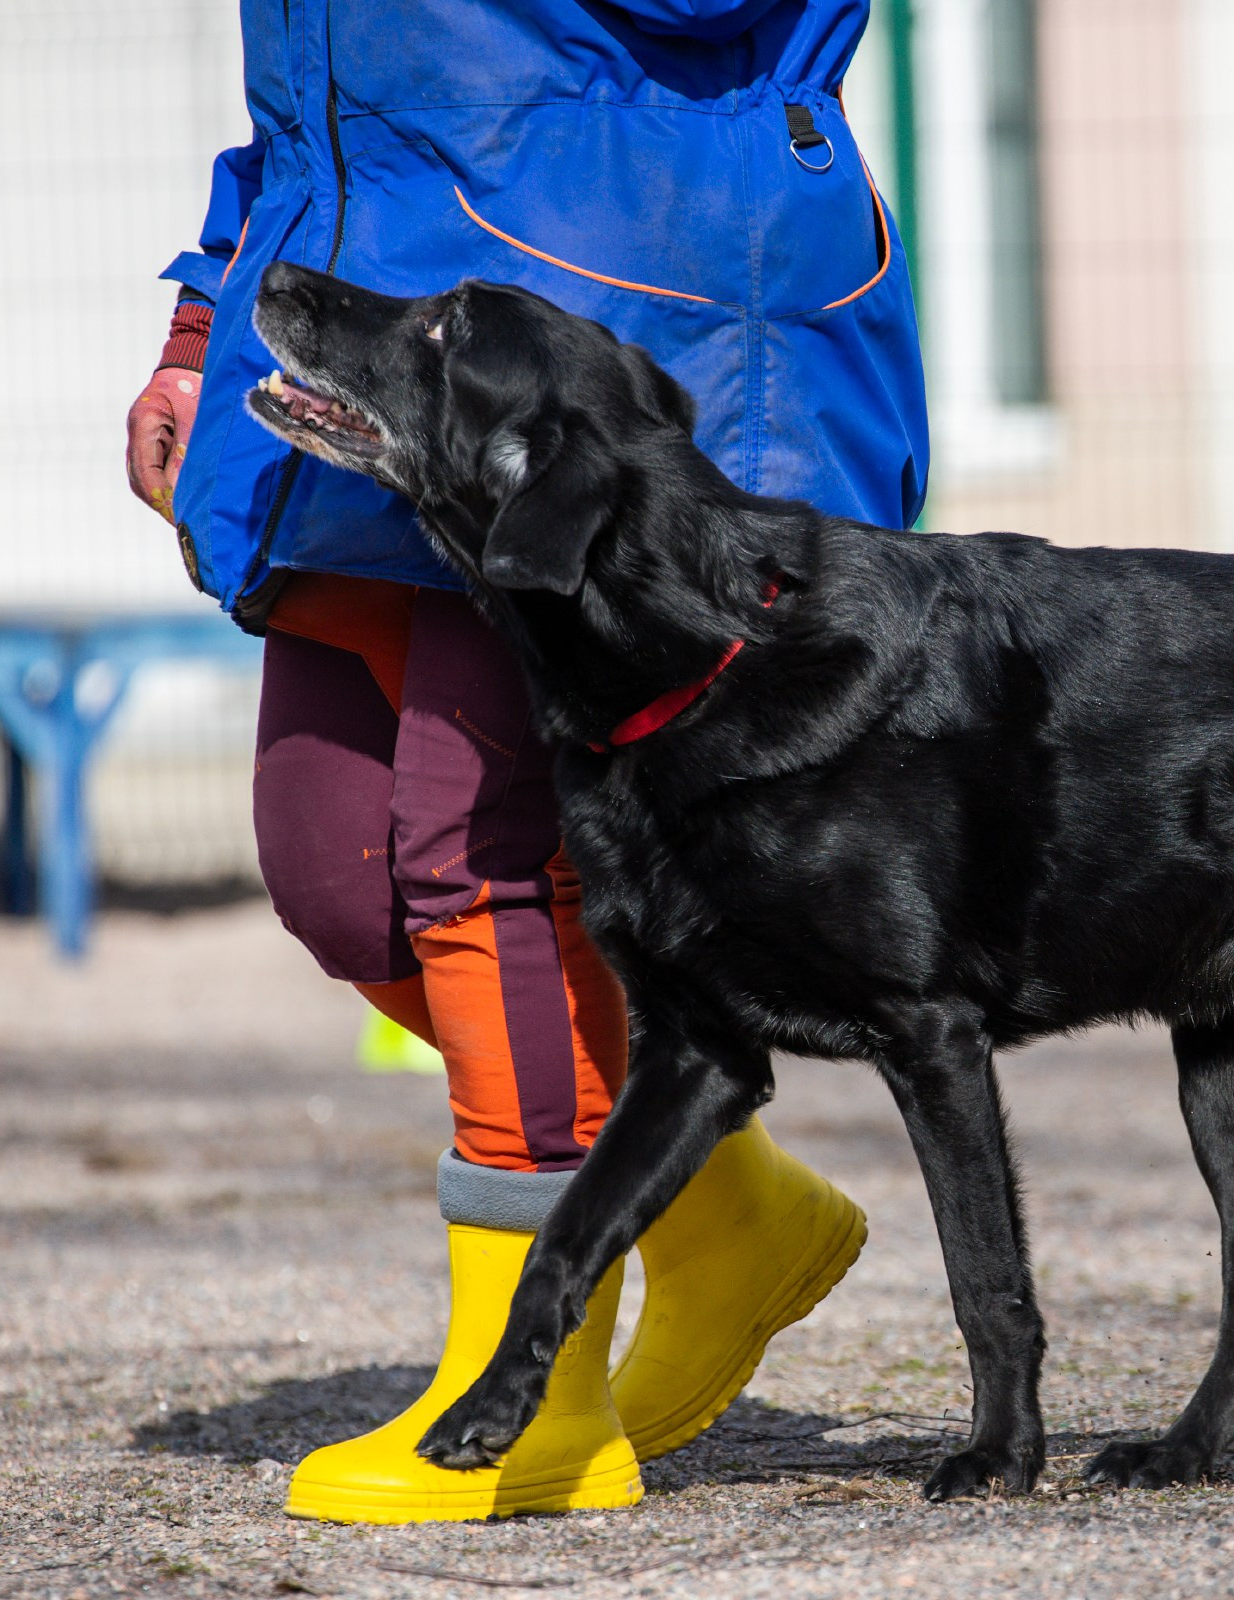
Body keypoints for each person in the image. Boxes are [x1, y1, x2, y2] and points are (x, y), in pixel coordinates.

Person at [123, 0, 928, 1525]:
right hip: (373, 311)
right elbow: (323, 87)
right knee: (337, 872)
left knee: (471, 854)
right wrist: (195, 329)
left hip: (586, 324)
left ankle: (537, 1397)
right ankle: (717, 1208)